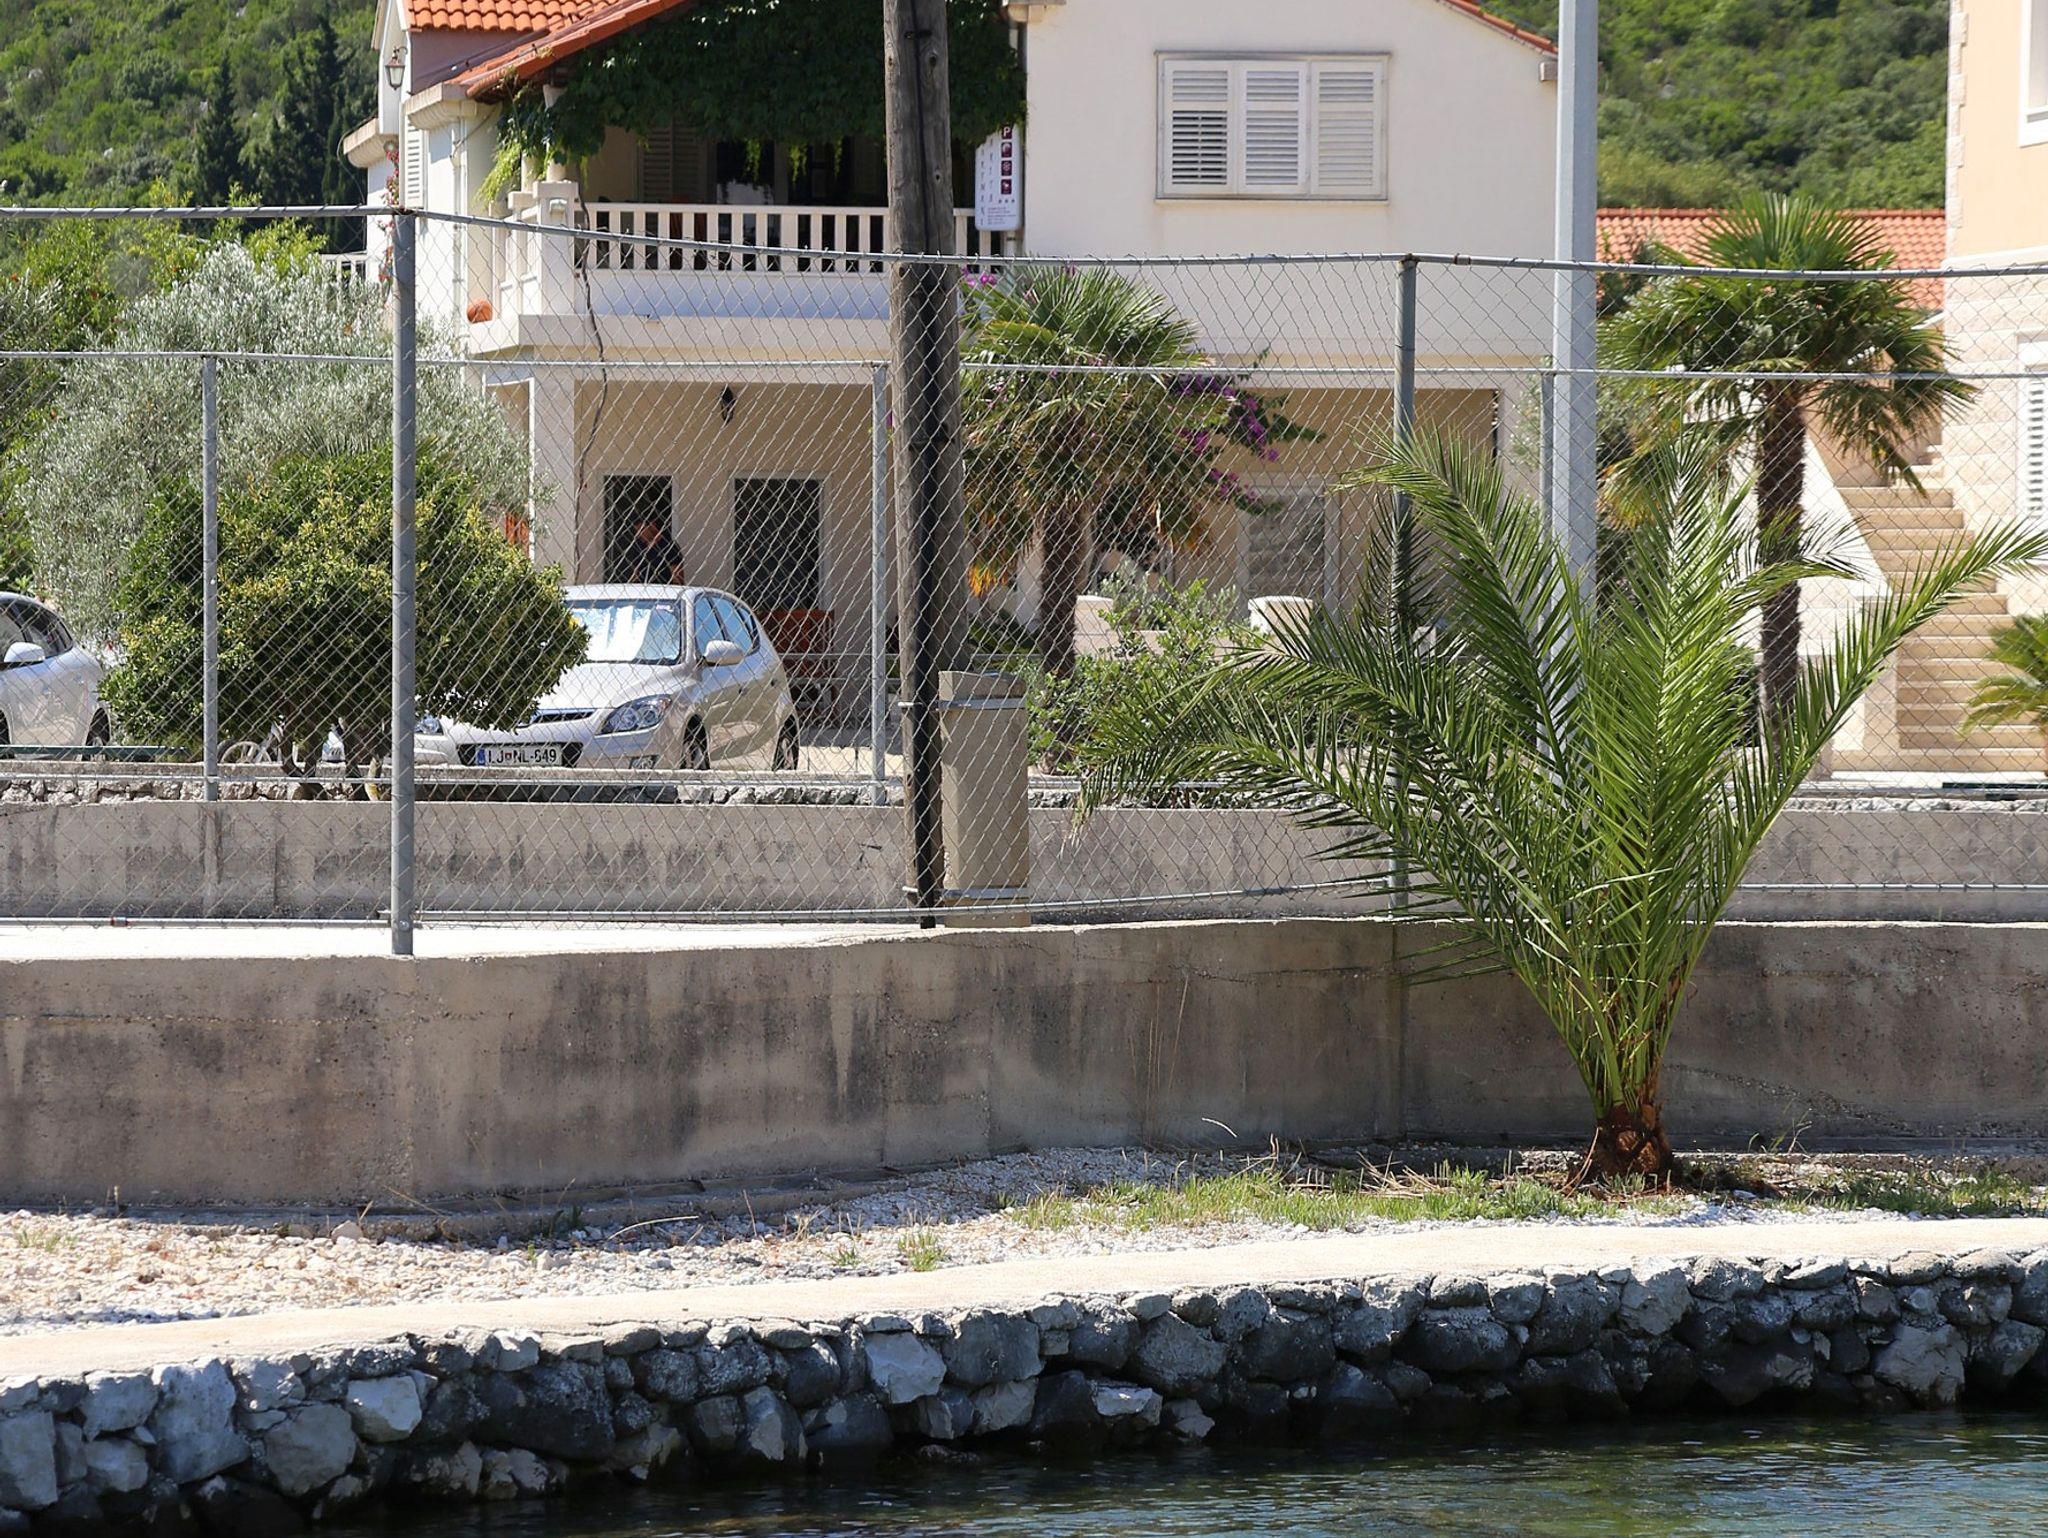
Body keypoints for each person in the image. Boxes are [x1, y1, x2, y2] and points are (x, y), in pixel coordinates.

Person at [618, 514, 686, 586]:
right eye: (637, 531)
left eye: (641, 530)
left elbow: (677, 576)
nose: (639, 534)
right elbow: (636, 573)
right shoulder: (640, 546)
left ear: (652, 525)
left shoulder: (669, 547)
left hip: (661, 587)